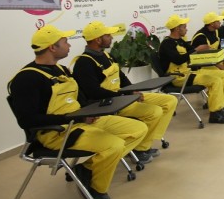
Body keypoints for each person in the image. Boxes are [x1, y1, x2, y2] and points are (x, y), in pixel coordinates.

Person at [7, 25, 147, 199]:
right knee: (115, 145)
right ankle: (96, 188)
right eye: (65, 42)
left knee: (138, 128)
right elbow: (27, 120)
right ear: (52, 47)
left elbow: (80, 100)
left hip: (82, 121)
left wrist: (95, 110)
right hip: (59, 132)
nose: (69, 46)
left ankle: (87, 168)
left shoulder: (62, 70)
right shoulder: (26, 79)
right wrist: (74, 118)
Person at [71, 21, 177, 163]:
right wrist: (124, 96)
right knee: (154, 112)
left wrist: (132, 90)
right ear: (98, 39)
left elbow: (121, 77)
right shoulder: (84, 63)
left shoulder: (107, 56)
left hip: (121, 97)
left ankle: (144, 143)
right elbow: (93, 92)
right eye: (108, 35)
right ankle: (140, 149)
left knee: (169, 101)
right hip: (109, 103)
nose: (112, 38)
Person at [159, 14, 224, 124]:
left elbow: (192, 52)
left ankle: (222, 104)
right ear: (177, 28)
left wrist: (203, 52)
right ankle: (215, 114)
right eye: (184, 27)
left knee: (222, 74)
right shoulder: (167, 44)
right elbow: (178, 59)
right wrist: (197, 49)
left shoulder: (180, 41)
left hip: (189, 71)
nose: (186, 29)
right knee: (215, 81)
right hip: (178, 77)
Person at [192, 12, 224, 102]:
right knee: (221, 74)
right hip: (206, 65)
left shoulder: (217, 31)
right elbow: (204, 58)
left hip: (217, 61)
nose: (220, 22)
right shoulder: (200, 37)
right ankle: (218, 101)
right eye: (218, 21)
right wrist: (220, 66)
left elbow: (221, 48)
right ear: (212, 24)